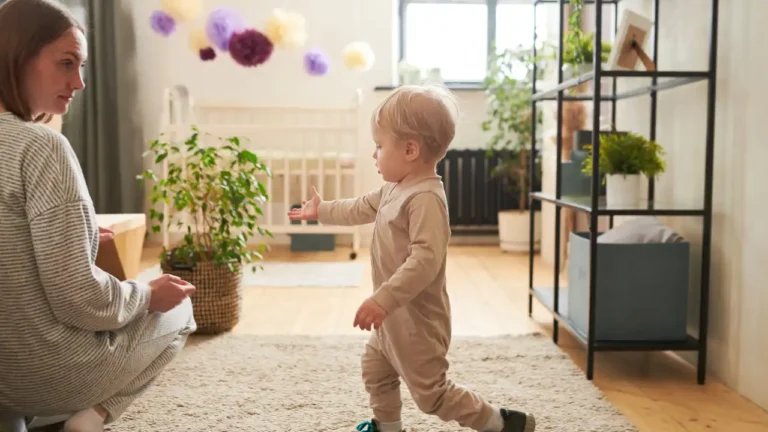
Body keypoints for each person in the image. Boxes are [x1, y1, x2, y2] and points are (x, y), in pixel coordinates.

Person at [288, 84, 536, 432]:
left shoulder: (426, 199)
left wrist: (384, 298)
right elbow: (361, 207)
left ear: (409, 149)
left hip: (418, 322)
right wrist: (323, 210)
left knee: (432, 396)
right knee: (376, 370)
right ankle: (388, 427)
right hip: (392, 317)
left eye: (379, 146)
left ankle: (501, 423)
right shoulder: (395, 186)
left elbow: (424, 261)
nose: (374, 155)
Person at [0, 1, 197, 431]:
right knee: (179, 312)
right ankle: (89, 420)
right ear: (16, 57)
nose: (80, 83)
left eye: (82, 66)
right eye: (66, 64)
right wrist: (147, 295)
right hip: (46, 373)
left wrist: (82, 235)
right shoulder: (40, 146)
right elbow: (79, 299)